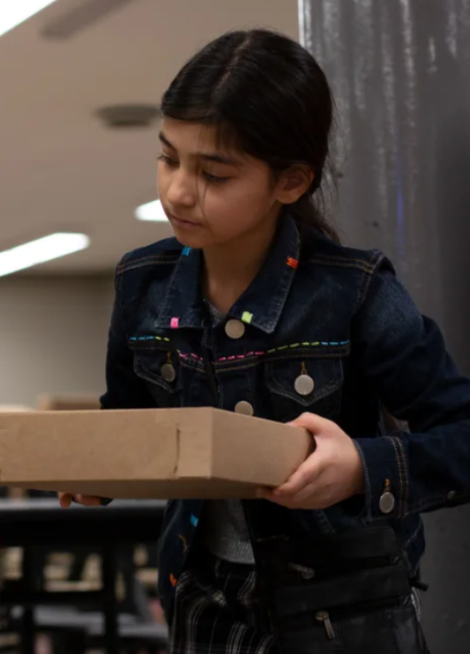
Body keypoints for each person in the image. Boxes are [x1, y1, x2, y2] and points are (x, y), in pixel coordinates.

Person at [60, 29, 469, 653]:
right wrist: (98, 468)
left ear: (291, 181)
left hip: (340, 605)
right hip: (201, 598)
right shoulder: (141, 283)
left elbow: (461, 432)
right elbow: (130, 424)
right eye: (168, 158)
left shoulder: (354, 291)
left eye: (214, 174)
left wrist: (362, 467)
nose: (176, 190)